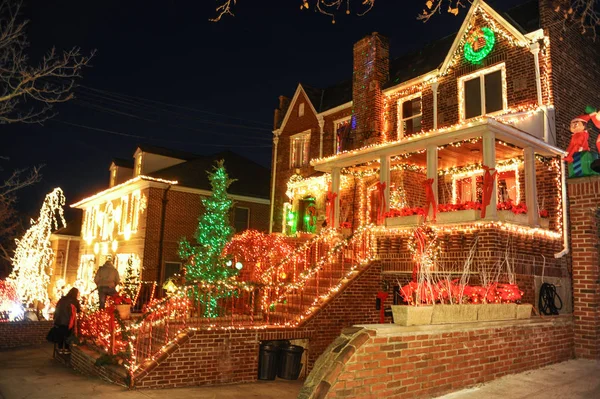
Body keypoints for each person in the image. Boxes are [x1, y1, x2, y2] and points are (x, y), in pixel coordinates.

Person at [47, 287, 81, 354]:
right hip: (68, 321)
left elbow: (57, 308)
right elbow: (78, 310)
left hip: (59, 320)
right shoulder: (74, 301)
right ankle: (66, 349)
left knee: (60, 334)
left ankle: (60, 348)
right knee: (67, 335)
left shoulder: (62, 299)